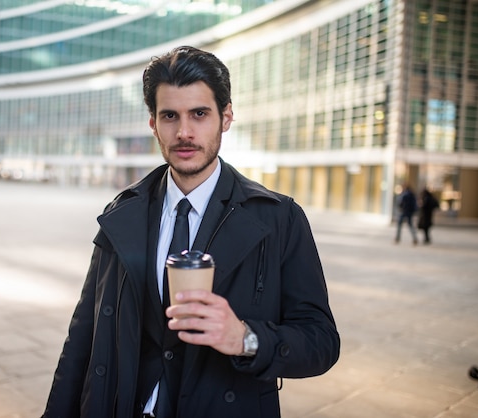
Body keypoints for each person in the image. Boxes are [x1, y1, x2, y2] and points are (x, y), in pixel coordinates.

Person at [42, 46, 340, 418]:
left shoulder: (280, 219)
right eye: (170, 116)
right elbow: (82, 338)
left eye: (199, 114)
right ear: (153, 123)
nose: (184, 132)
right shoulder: (121, 213)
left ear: (226, 116)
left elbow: (322, 342)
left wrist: (245, 338)